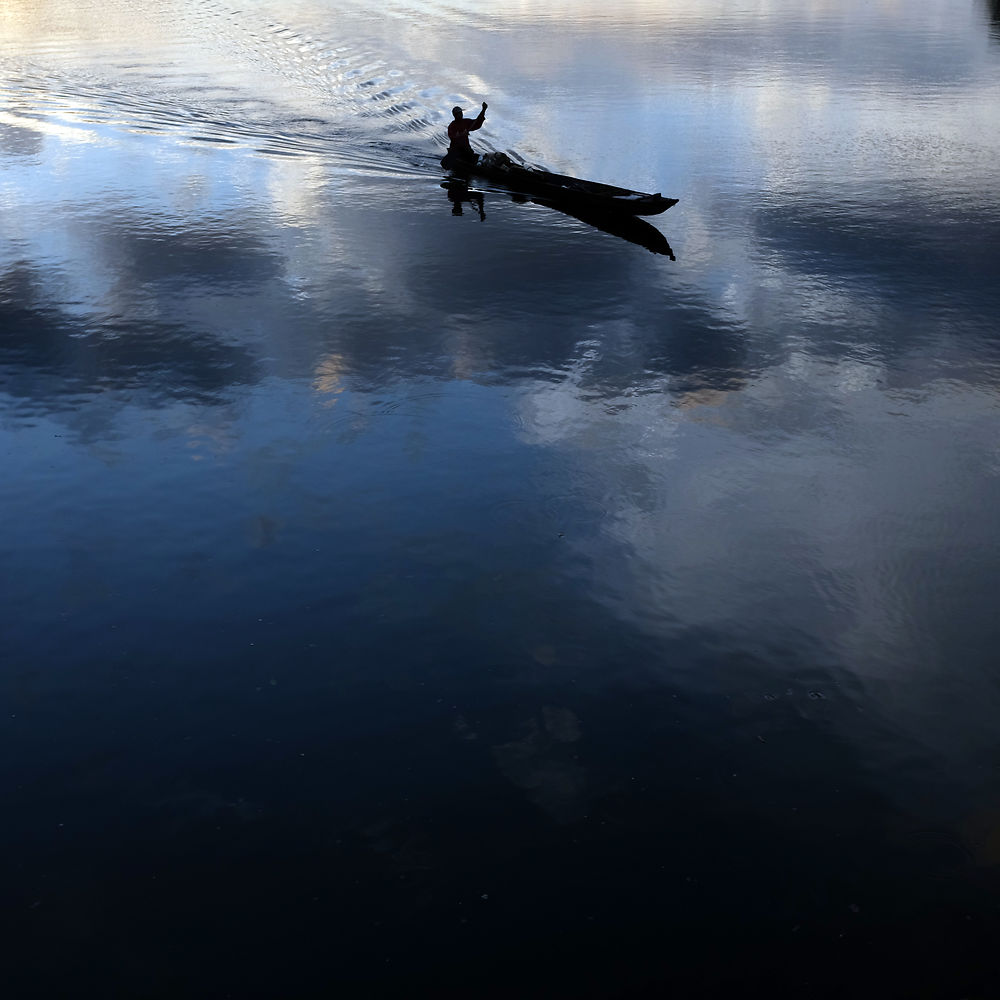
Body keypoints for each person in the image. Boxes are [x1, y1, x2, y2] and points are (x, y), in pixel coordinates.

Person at [444, 101, 487, 168]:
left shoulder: (466, 122)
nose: (461, 114)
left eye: (461, 113)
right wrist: (461, 134)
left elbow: (477, 123)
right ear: (455, 115)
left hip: (466, 148)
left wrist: (483, 110)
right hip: (456, 149)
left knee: (475, 157)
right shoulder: (452, 126)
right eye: (459, 113)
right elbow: (452, 136)